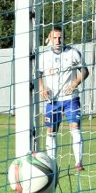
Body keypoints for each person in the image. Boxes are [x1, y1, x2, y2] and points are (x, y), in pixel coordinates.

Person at [38, 26, 90, 172]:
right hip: (53, 100)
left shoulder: (73, 52)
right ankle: (52, 164)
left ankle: (78, 163)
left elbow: (85, 71)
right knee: (51, 131)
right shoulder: (44, 57)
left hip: (71, 99)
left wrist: (75, 83)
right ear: (49, 38)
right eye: (55, 38)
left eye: (60, 38)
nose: (58, 41)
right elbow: (39, 75)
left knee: (75, 129)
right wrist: (42, 88)